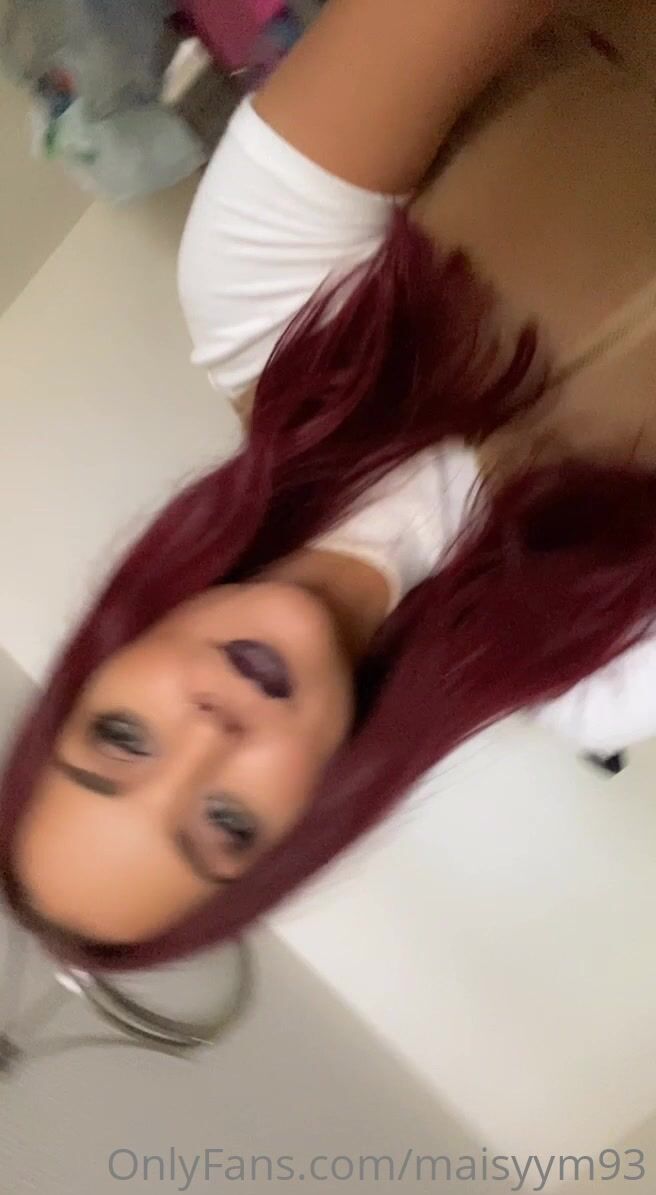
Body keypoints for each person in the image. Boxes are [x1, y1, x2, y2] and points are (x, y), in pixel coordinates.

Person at [3, 0, 656, 972]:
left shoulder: (259, 304)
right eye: (225, 820)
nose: (209, 734)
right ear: (304, 821)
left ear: (107, 660)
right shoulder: (601, 677)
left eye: (125, 736)